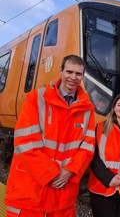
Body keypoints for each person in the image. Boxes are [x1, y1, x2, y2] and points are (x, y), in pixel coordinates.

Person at [5, 55, 96, 216]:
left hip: (63, 195)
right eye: (69, 71)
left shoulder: (87, 109)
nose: (73, 77)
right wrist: (52, 174)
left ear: (82, 76)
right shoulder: (36, 98)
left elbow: (88, 147)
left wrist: (70, 171)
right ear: (60, 71)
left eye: (78, 74)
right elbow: (25, 142)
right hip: (30, 192)